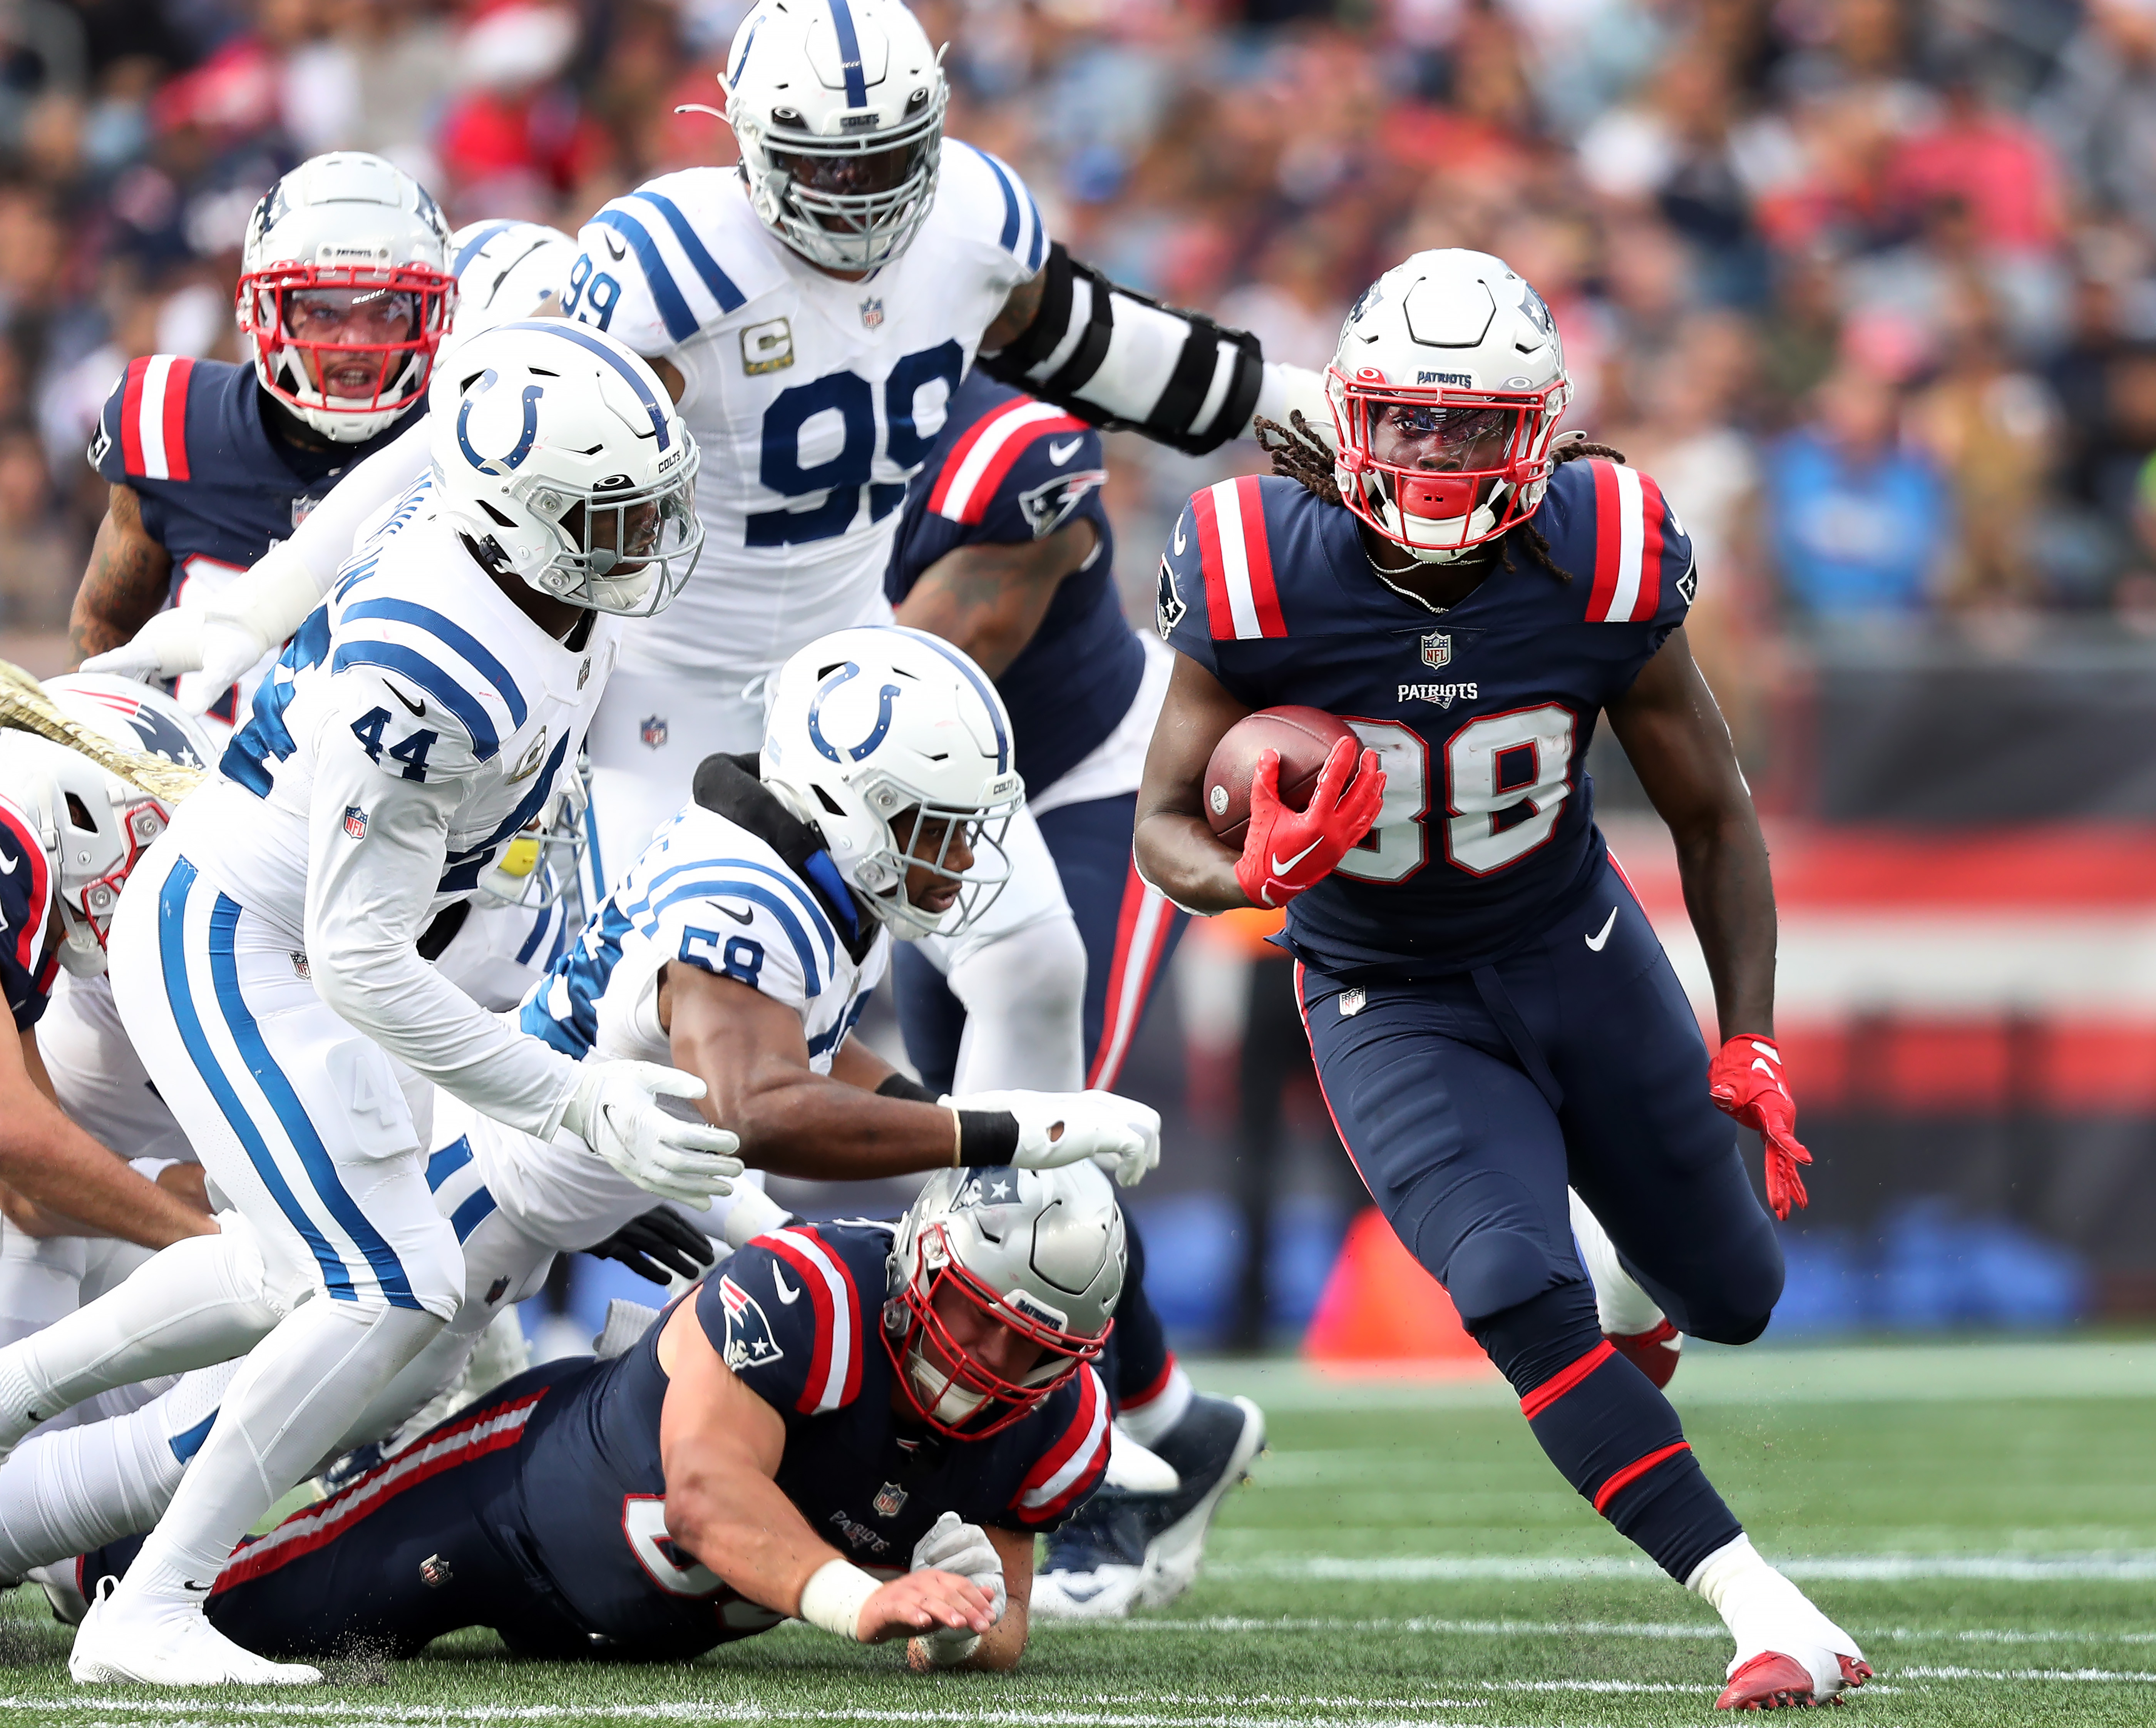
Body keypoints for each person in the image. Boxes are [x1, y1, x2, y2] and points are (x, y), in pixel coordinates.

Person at [0, 626, 1154, 1618]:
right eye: (930, 826)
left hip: (503, 1194)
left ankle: (64, 1503)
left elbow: (801, 1050)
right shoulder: (749, 899)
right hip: (465, 1202)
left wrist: (944, 1113)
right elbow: (764, 1108)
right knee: (197, 1444)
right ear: (844, 802)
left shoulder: (801, 877)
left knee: (236, 1352)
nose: (954, 861)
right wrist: (1010, 1131)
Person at [1133, 248, 1871, 1711]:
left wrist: (1753, 1040)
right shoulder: (1258, 561)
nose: (1434, 452)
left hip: (1574, 950)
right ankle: (1763, 1605)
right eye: (1408, 419)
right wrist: (1252, 874)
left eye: (1473, 425)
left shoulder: (1601, 547)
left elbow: (1716, 812)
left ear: (1539, 430)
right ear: (1352, 414)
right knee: (1507, 1286)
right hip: (1383, 990)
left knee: (1734, 1296)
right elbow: (1160, 825)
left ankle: (1628, 1279)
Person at [59, 317, 743, 1688]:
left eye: (645, 510)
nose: (638, 543)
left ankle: (16, 1402)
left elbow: (419, 453)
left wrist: (262, 601)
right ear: (522, 520)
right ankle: (147, 1609)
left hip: (309, 945)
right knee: (395, 1282)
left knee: (289, 1274)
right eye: (608, 519)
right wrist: (575, 1099)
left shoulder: (511, 508)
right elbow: (364, 961)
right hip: (237, 941)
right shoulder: (441, 666)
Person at [65, 1163, 1120, 1672]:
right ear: (922, 1261)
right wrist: (860, 1599)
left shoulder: (1056, 1420)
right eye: (976, 1321)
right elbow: (706, 1501)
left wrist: (958, 1624)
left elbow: (1006, 1624)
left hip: (636, 1627)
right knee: (252, 1616)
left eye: (1036, 1348)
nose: (992, 1364)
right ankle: (68, 1553)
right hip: (514, 1509)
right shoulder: (816, 1291)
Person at [883, 372, 1257, 1618]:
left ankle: (1070, 1480)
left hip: (1082, 782)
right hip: (918, 795)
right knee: (967, 1134)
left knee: (1021, 1147)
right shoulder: (754, 423)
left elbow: (946, 650)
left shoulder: (999, 435)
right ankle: (1173, 1427)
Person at [70, 153, 457, 722]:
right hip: (188, 787)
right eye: (322, 309)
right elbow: (106, 625)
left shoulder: (464, 444)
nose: (354, 337)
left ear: (431, 313)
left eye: (387, 307)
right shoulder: (172, 422)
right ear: (263, 309)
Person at [0, 684, 220, 1274]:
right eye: (153, 850)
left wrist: (198, 1198)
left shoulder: (35, 921)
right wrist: (217, 1250)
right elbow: (15, 1131)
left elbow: (31, 1195)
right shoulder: (10, 844)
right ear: (85, 806)